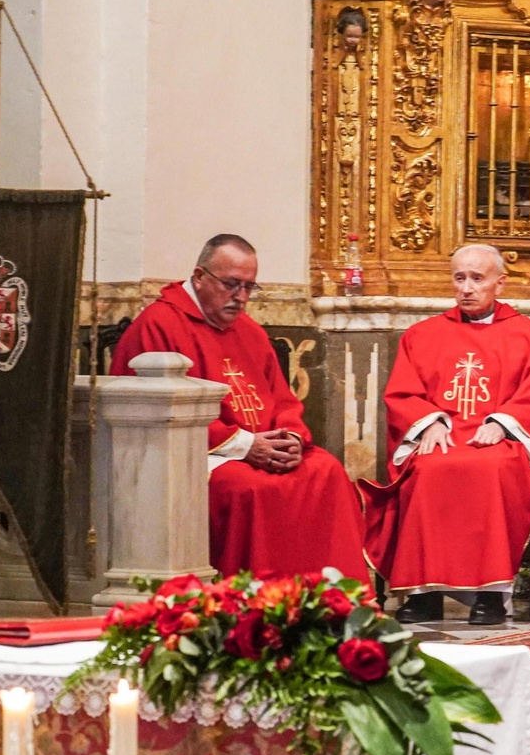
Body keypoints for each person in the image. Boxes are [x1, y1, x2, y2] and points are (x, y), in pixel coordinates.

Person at [112, 235, 370, 583]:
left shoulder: (248, 331)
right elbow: (159, 414)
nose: (242, 297)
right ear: (200, 276)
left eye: (250, 287)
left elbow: (282, 399)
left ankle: (330, 602)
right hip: (195, 454)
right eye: (231, 284)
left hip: (259, 446)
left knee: (326, 471)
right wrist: (246, 446)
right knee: (247, 489)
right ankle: (255, 605)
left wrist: (291, 436)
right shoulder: (159, 325)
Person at [360, 244, 530, 625]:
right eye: (459, 278)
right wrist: (429, 420)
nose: (467, 287)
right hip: (444, 439)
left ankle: (490, 594)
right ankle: (423, 593)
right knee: (429, 468)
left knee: (493, 469)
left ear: (499, 284)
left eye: (477, 278)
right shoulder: (422, 335)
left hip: (500, 443)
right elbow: (403, 393)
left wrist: (501, 423)